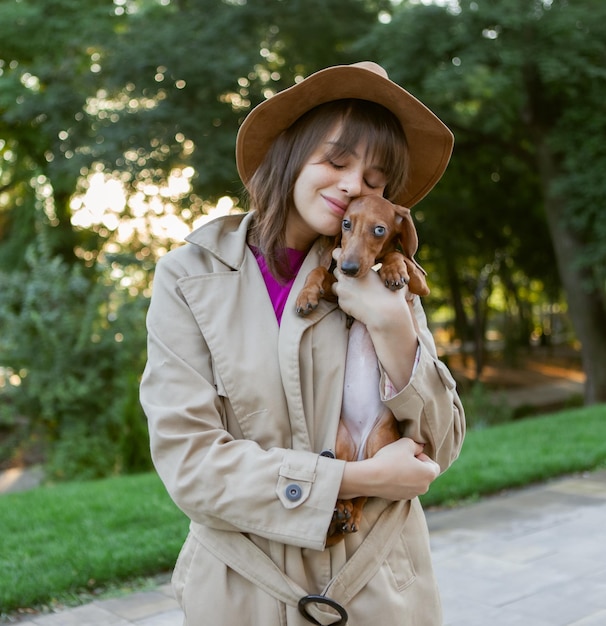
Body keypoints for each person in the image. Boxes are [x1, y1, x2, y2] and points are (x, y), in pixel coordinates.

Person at [140, 61, 465, 626]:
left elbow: (442, 444)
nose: (351, 185)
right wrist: (355, 480)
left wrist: (392, 327)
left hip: (379, 590)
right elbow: (190, 465)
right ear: (291, 154)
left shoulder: (381, 274)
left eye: (375, 177)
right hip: (241, 595)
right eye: (336, 161)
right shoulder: (189, 278)